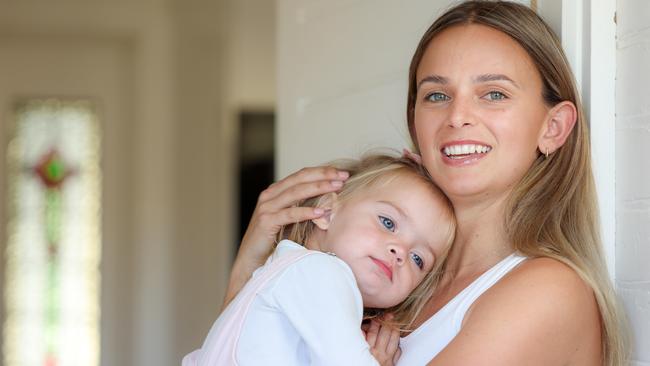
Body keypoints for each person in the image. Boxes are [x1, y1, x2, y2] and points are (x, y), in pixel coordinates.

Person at [224, 1, 630, 365]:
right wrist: (249, 272)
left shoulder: (548, 292)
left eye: (493, 94)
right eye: (436, 95)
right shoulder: (392, 284)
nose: (457, 117)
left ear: (553, 127)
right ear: (415, 123)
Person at [185, 153, 456, 365]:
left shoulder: (287, 273)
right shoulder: (319, 270)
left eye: (418, 259)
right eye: (387, 222)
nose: (399, 251)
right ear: (326, 212)